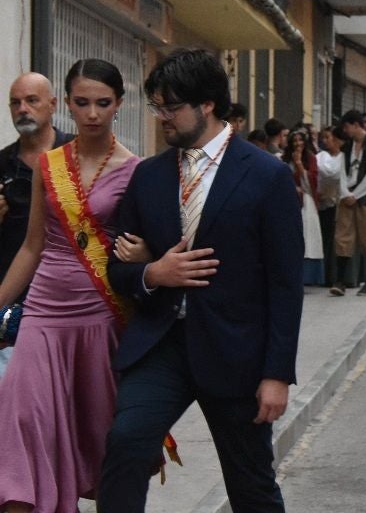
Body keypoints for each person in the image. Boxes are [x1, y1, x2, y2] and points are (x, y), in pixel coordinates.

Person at [98, 48, 303, 512]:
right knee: (126, 446)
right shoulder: (148, 176)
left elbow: (286, 285)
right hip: (162, 345)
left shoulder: (267, 176)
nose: (162, 118)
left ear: (207, 104)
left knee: (250, 485)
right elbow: (118, 265)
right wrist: (153, 272)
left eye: (171, 107)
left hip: (237, 353)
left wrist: (277, 375)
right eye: (157, 107)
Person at [0, 61, 141, 512]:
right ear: (68, 104)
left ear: (119, 104)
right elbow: (32, 247)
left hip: (100, 314)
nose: (93, 113)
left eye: (103, 103)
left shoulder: (137, 170)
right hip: (42, 310)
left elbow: (146, 246)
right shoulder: (49, 164)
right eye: (83, 103)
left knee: (96, 435)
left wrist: (144, 258)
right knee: (22, 419)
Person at [0, 73, 73, 378]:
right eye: (15, 103)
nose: (23, 109)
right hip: (13, 305)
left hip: (69, 301)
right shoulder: (2, 163)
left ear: (53, 104)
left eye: (32, 100)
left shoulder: (76, 155)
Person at [331, 110, 366, 297]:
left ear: (356, 125)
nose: (345, 131)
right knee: (343, 236)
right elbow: (342, 172)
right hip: (348, 198)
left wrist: (357, 194)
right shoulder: (347, 147)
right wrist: (345, 193)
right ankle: (340, 281)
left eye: (347, 127)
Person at [286, 130, 324, 286]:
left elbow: (311, 185)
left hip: (307, 203)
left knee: (308, 237)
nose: (297, 144)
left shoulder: (310, 159)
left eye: (300, 140)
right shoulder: (285, 159)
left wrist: (300, 164)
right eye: (294, 140)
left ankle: (308, 276)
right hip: (290, 203)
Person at [316, 126, 344, 287]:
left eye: (329, 137)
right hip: (322, 203)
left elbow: (333, 174)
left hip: (337, 203)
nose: (326, 141)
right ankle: (325, 275)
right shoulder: (321, 156)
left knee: (335, 241)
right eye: (323, 138)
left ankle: (334, 275)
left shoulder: (342, 158)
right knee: (325, 240)